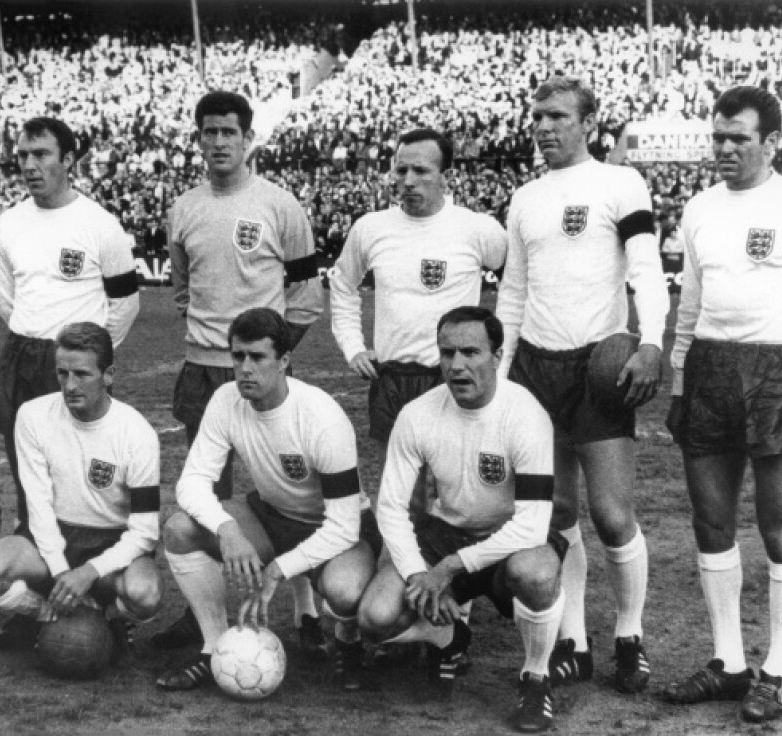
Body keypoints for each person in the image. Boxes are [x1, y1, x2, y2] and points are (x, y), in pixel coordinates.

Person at [662, 85, 782, 723]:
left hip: (779, 374)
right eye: (718, 136)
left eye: (739, 137)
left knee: (779, 527)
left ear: (770, 142)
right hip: (711, 371)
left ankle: (776, 671)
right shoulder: (699, 209)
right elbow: (688, 311)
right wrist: (681, 379)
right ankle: (729, 663)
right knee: (711, 524)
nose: (725, 148)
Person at [496, 76, 669, 694]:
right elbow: (512, 293)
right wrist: (499, 375)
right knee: (557, 511)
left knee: (612, 513)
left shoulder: (620, 183)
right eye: (537, 116)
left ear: (588, 123)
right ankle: (574, 642)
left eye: (558, 117)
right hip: (535, 369)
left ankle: (630, 635)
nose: (544, 127)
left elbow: (647, 269)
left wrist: (651, 342)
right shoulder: (523, 198)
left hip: (600, 364)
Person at [155, 90, 325, 651]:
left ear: (249, 138)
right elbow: (183, 288)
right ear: (198, 139)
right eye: (210, 132)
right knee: (207, 495)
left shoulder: (280, 205)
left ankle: (304, 599)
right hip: (203, 369)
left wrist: (272, 352)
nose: (220, 141)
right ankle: (205, 611)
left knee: (286, 489)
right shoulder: (184, 207)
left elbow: (306, 292)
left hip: (265, 375)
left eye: (230, 131)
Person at [359, 306, 564, 733]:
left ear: (497, 355)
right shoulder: (417, 414)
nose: (456, 365)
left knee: (538, 572)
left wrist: (448, 569)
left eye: (470, 352)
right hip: (445, 534)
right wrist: (419, 575)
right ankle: (448, 637)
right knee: (375, 618)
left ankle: (536, 678)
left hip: (509, 542)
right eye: (447, 353)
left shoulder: (526, 415)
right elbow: (391, 507)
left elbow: (530, 524)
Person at [155, 308, 379, 693]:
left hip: (339, 531)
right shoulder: (226, 399)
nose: (244, 368)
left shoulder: (322, 417)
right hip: (272, 516)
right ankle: (214, 648)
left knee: (344, 591)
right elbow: (192, 482)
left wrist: (277, 569)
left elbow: (343, 526)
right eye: (238, 356)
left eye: (257, 357)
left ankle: (348, 642)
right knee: (179, 529)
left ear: (284, 361)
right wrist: (226, 529)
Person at [0, 116, 140, 647]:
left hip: (75, 359)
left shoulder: (99, 224)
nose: (30, 165)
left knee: (85, 480)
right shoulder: (8, 224)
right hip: (24, 355)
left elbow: (124, 302)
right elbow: (5, 298)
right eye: (23, 156)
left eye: (41, 155)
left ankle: (101, 601)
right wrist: (34, 342)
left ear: (68, 159)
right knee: (29, 479)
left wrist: (90, 356)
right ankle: (35, 607)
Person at [0, 322, 161, 653]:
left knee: (146, 594)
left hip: (111, 542)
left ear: (109, 374)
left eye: (82, 374)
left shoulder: (137, 433)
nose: (70, 385)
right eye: (62, 373)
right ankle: (43, 615)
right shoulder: (32, 416)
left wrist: (89, 572)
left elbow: (145, 532)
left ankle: (108, 617)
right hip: (50, 538)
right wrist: (61, 572)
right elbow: (38, 507)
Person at [329, 126, 507, 445]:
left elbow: (517, 284)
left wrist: (499, 352)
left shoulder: (478, 229)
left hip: (454, 375)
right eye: (401, 170)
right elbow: (342, 285)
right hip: (391, 378)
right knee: (398, 487)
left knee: (454, 484)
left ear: (445, 176)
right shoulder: (370, 228)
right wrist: (352, 347)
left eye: (421, 170)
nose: (408, 181)